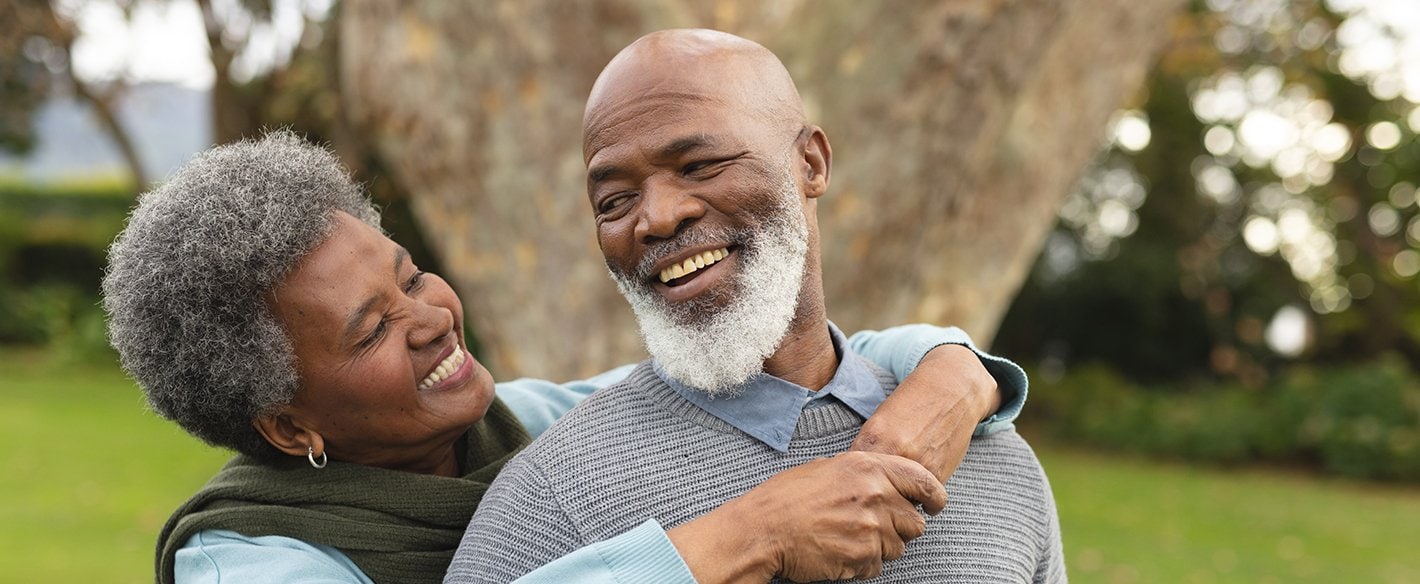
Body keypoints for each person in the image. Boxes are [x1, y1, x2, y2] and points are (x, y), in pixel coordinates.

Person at [102, 130, 1028, 584]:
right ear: (287, 421)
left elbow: (817, 355)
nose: (430, 319)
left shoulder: (533, 424)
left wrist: (955, 370)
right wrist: (747, 535)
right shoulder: (248, 561)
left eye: (412, 276)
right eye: (371, 330)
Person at [449, 29, 1065, 583]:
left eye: (700, 165)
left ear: (812, 164)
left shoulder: (991, 458)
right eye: (614, 200)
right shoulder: (551, 497)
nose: (658, 217)